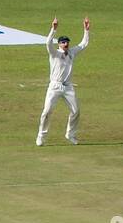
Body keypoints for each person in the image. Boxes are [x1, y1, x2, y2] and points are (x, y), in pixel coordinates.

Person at [37, 17, 90, 148]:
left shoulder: (72, 52)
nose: (66, 44)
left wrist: (86, 30)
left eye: (67, 42)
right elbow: (48, 43)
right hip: (54, 87)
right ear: (59, 44)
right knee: (47, 111)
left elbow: (83, 44)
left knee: (76, 111)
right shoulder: (54, 53)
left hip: (68, 87)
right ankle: (41, 136)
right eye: (63, 42)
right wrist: (53, 29)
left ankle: (70, 135)